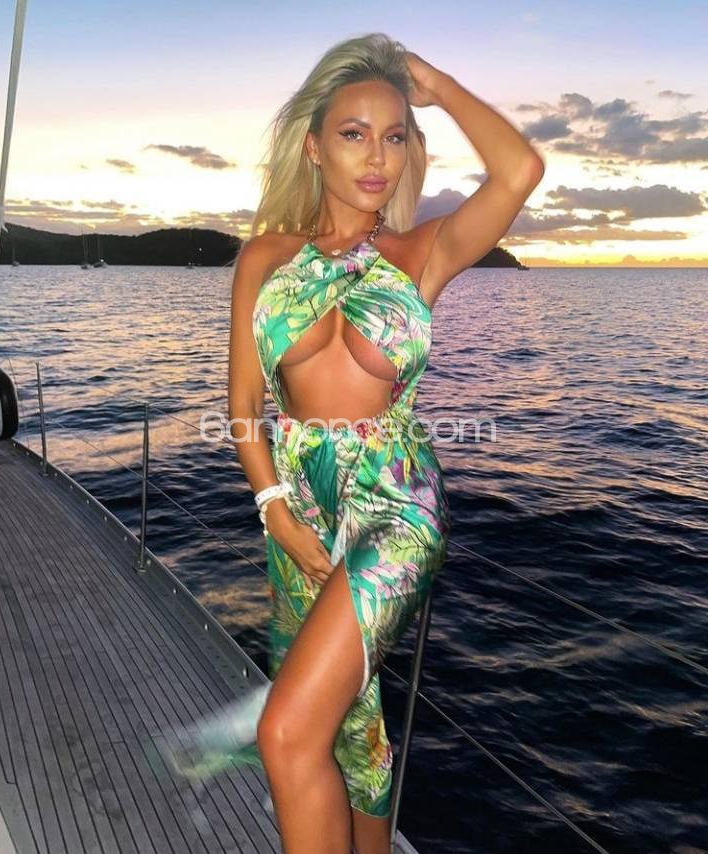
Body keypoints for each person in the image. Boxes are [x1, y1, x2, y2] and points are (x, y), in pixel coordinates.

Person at [227, 32, 545, 854]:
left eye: (395, 136)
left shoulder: (420, 254)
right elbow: (243, 404)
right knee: (347, 725)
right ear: (313, 146)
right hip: (298, 503)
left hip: (397, 506)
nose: (377, 156)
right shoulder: (265, 258)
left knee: (286, 732)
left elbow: (519, 171)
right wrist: (274, 510)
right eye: (354, 133)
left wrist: (435, 83)